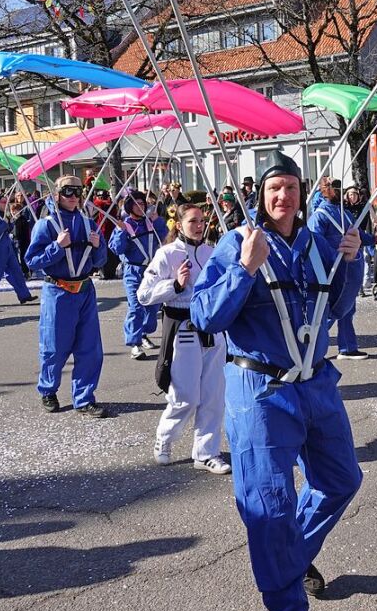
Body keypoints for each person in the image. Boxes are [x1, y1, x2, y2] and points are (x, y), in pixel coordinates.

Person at [191, 151, 363, 611]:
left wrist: (350, 262)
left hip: (316, 385)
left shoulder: (317, 244)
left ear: (301, 193)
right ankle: (289, 610)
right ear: (260, 196)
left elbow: (337, 312)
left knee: (341, 480)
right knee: (269, 504)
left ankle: (291, 556)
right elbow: (206, 316)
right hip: (260, 391)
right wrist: (244, 269)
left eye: (290, 186)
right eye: (274, 188)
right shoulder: (237, 242)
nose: (283, 195)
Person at [138, 203, 230, 474]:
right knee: (186, 396)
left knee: (214, 396)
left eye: (202, 220)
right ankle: (164, 438)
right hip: (184, 328)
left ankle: (206, 453)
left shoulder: (212, 252)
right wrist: (175, 285)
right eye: (193, 221)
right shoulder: (166, 254)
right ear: (178, 225)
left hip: (213, 330)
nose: (200, 225)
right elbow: (144, 295)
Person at [25, 176, 109, 417]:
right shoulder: (47, 224)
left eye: (77, 191)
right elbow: (32, 260)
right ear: (56, 195)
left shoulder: (88, 222)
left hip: (84, 290)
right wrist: (57, 247)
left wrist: (98, 246)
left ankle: (84, 398)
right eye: (67, 191)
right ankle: (48, 390)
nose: (73, 196)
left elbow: (100, 261)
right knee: (54, 346)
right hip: (58, 291)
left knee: (90, 348)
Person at [308, 178, 373, 359]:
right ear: (324, 191)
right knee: (331, 309)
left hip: (349, 267)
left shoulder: (344, 212)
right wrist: (332, 257)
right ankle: (310, 346)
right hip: (332, 269)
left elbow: (356, 233)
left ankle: (347, 347)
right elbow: (315, 243)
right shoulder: (319, 215)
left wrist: (373, 239)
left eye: (339, 188)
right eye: (333, 188)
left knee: (348, 308)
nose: (338, 191)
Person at [110, 190, 168, 360]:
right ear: (129, 206)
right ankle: (134, 343)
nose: (141, 206)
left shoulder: (150, 223)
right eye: (137, 203)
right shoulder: (124, 225)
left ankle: (144, 333)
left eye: (143, 203)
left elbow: (165, 237)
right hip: (133, 271)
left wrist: (157, 220)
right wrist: (120, 232)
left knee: (153, 306)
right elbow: (116, 249)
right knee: (136, 306)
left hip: (151, 271)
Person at [0, 191, 35, 308]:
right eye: (3, 202)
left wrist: (10, 222)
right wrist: (4, 224)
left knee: (16, 271)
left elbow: (8, 229)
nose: (6, 204)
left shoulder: (4, 214)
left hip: (7, 246)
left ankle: (24, 295)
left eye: (6, 202)